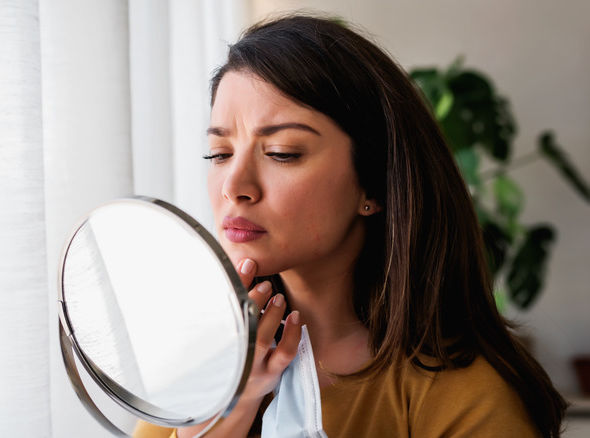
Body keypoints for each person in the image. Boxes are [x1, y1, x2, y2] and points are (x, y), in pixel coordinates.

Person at [135, 12, 567, 437]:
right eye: (219, 154)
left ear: (373, 187)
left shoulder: (464, 396)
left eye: (283, 152)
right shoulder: (206, 366)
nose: (234, 186)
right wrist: (227, 415)